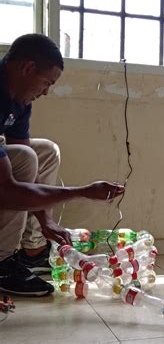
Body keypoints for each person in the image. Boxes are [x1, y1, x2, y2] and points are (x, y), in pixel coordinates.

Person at [0, 34, 125, 296]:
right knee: (24, 158)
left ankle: (33, 248)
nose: (46, 91)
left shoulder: (18, 98)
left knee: (43, 151)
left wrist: (46, 220)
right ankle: (2, 263)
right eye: (47, 83)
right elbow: (8, 190)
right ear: (27, 68)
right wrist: (83, 192)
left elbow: (22, 157)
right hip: (4, 186)